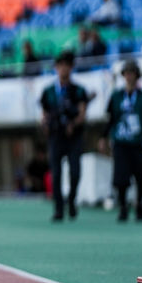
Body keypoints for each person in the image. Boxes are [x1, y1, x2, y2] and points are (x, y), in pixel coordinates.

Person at [39, 50, 90, 222]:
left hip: (73, 136)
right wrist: (45, 124)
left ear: (71, 68)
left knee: (75, 172)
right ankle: (59, 209)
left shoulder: (79, 90)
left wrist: (73, 124)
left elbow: (83, 113)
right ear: (56, 68)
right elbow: (44, 114)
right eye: (60, 66)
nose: (63, 69)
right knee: (56, 174)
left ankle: (72, 200)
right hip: (55, 137)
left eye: (66, 66)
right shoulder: (49, 92)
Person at [100, 60, 142, 222]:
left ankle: (140, 204)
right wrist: (103, 137)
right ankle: (123, 206)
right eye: (126, 73)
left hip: (139, 142)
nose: (129, 76)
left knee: (140, 176)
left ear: (137, 75)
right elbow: (110, 119)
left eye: (132, 73)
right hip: (120, 142)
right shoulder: (116, 97)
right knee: (121, 177)